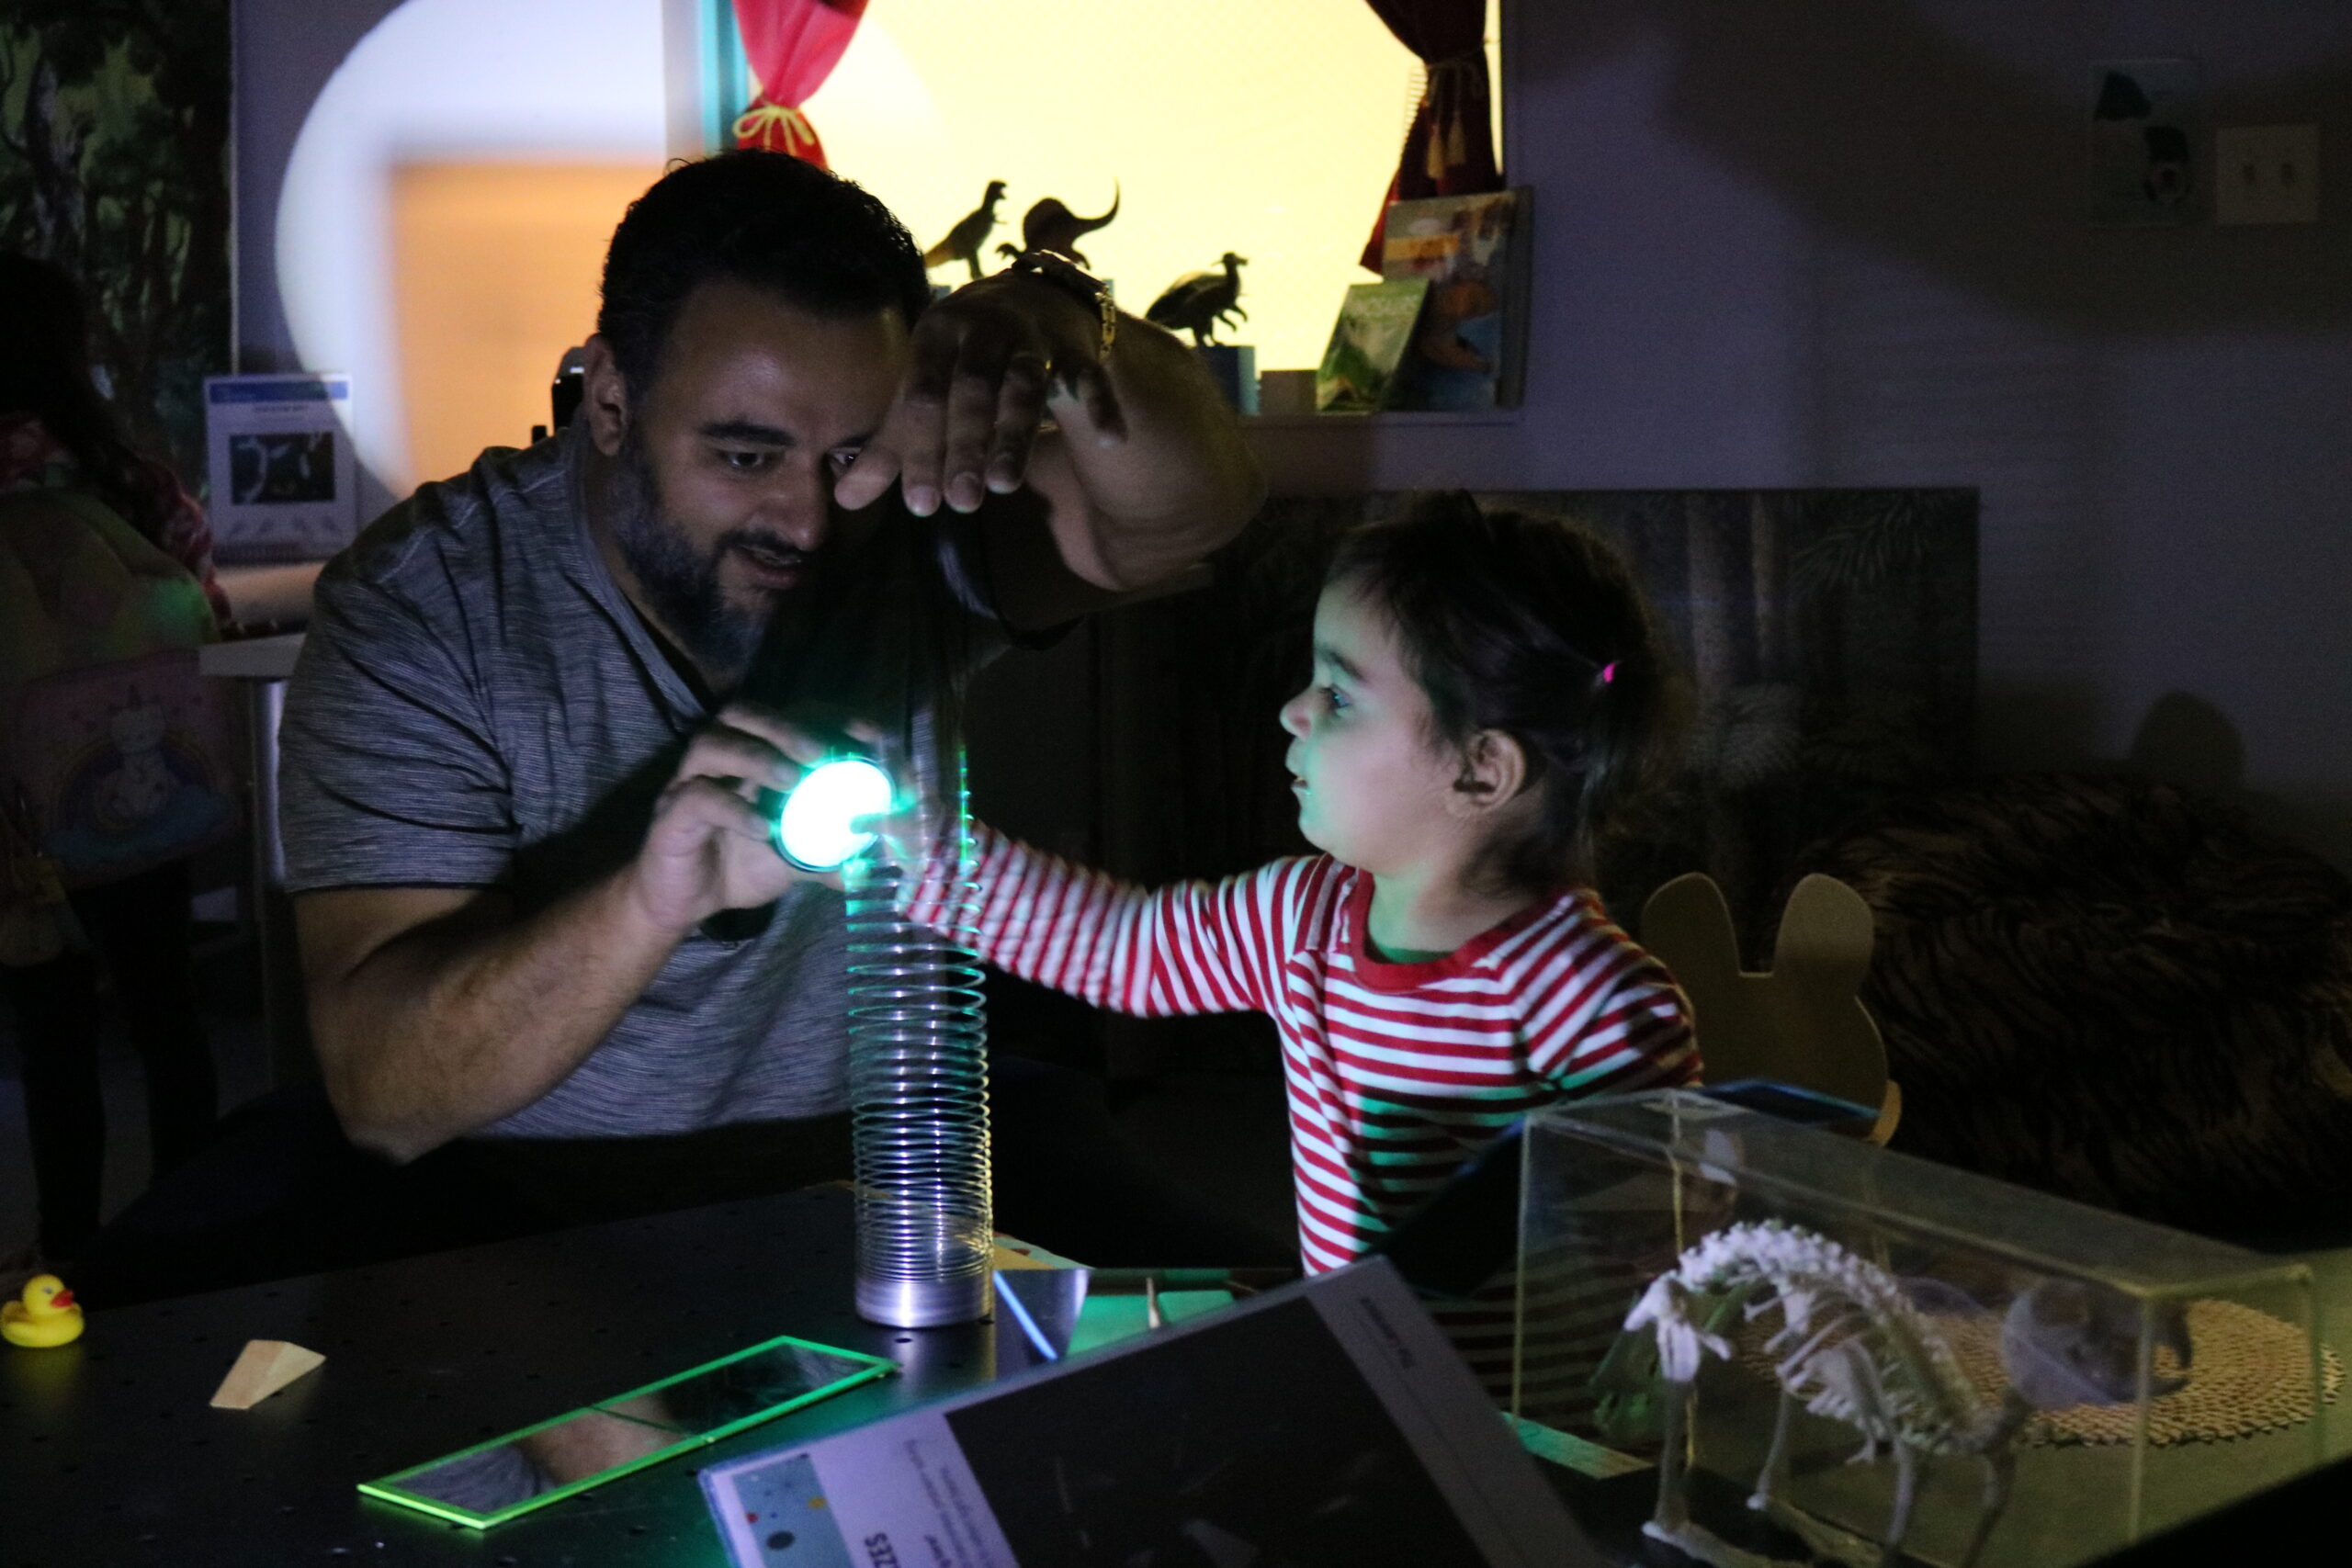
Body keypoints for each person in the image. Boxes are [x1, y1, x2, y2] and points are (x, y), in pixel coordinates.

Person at [175, 149, 1260, 1274]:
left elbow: (1198, 507)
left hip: (903, 1167)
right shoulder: (425, 613)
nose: (806, 516)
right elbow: (386, 1095)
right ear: (609, 403)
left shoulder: (899, 524)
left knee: (1285, 1340)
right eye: (746, 455)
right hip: (538, 1216)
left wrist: (1064, 319)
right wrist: (653, 898)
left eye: (849, 455)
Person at [880, 493, 1698, 1384]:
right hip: (1368, 1381)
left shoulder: (1596, 1003)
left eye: (1339, 695)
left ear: (1480, 769)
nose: (1292, 712)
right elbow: (1127, 951)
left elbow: (1665, 1262)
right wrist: (917, 850)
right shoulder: (1297, 920)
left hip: (1532, 1443)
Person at [0, 252, 233, 1266]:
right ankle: (185, 1230)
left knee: (50, 1037)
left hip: (16, 817)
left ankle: (64, 1249)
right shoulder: (127, 480)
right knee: (167, 1017)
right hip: (143, 805)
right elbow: (208, 611)